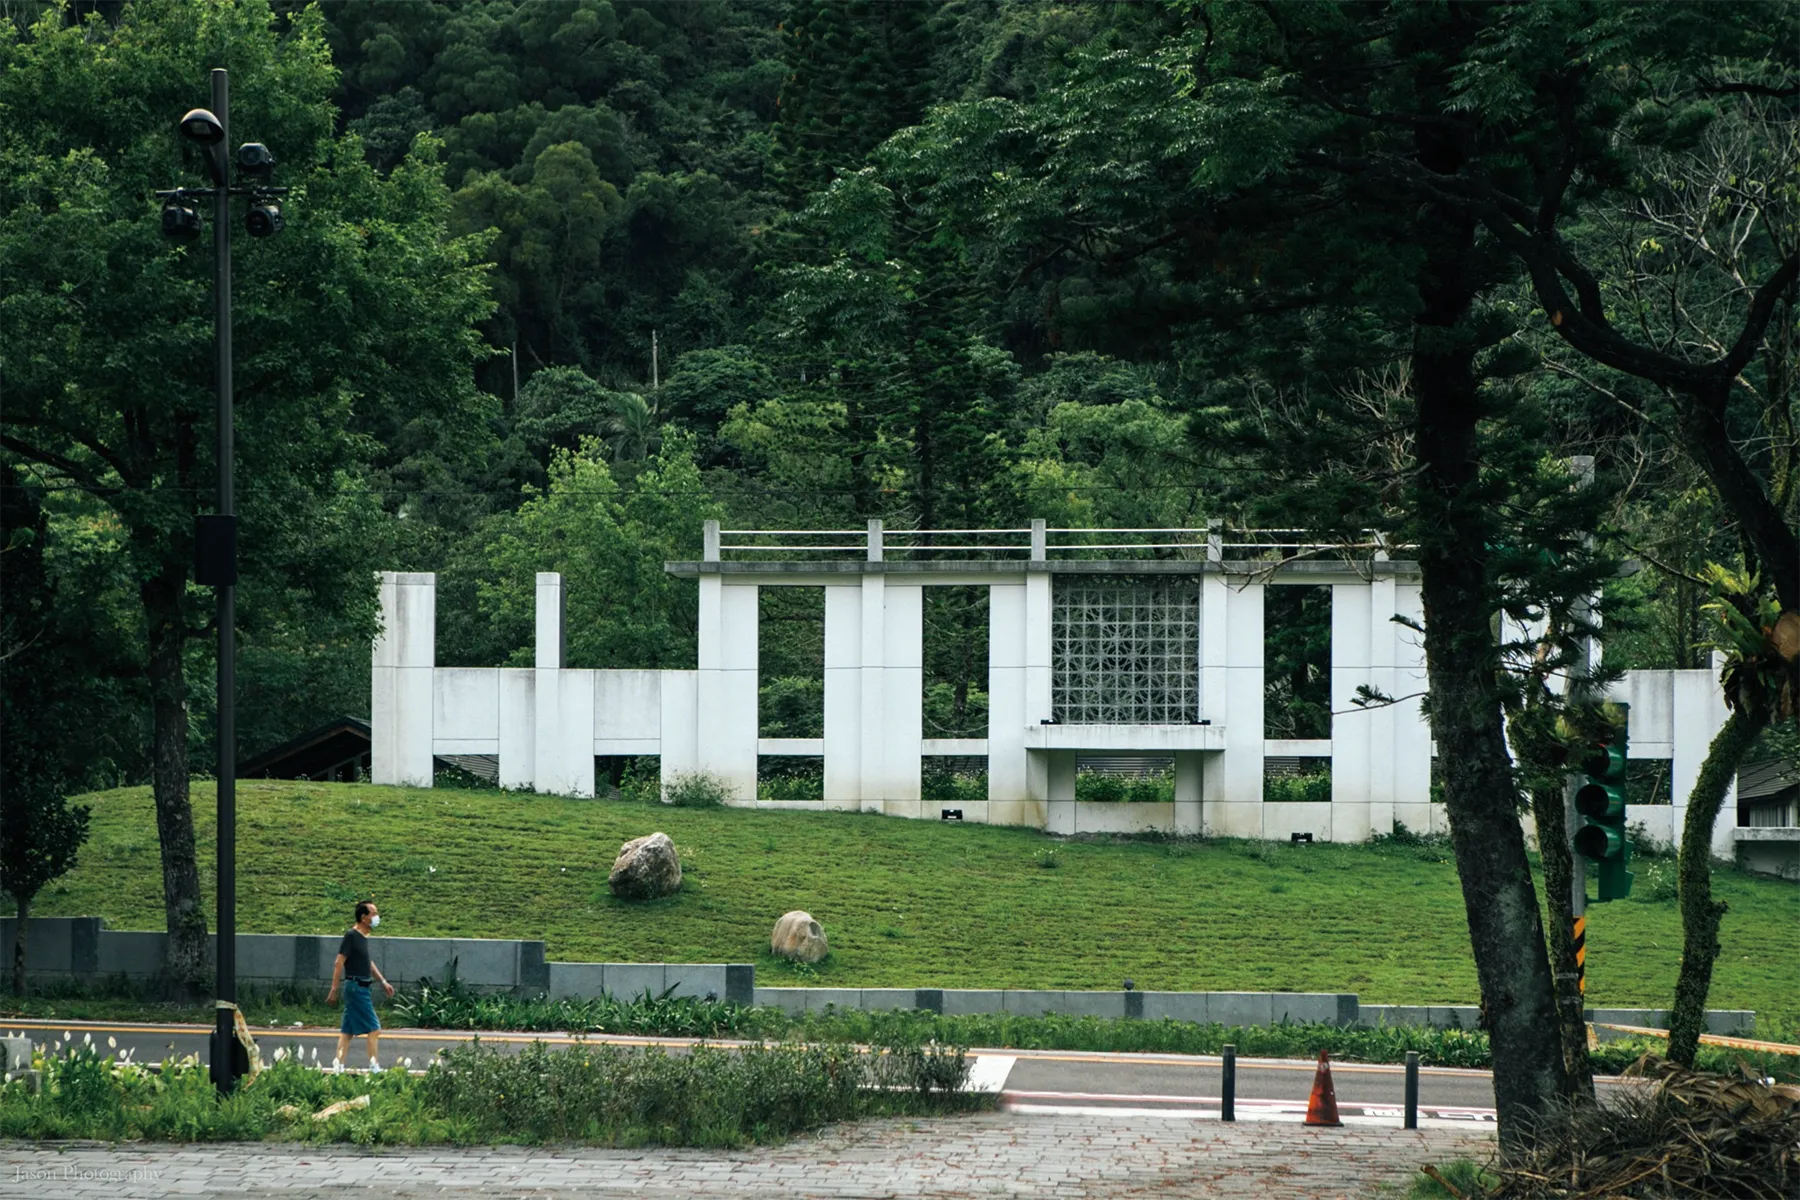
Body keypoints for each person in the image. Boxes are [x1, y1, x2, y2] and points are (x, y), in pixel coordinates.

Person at [327, 900, 394, 1070]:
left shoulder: (363, 938)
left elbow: (368, 963)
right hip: (356, 988)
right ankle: (374, 1068)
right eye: (373, 914)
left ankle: (338, 1067)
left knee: (347, 1031)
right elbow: (339, 962)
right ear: (363, 917)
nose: (377, 917)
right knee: (374, 1028)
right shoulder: (352, 936)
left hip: (361, 987)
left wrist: (383, 981)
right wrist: (334, 989)